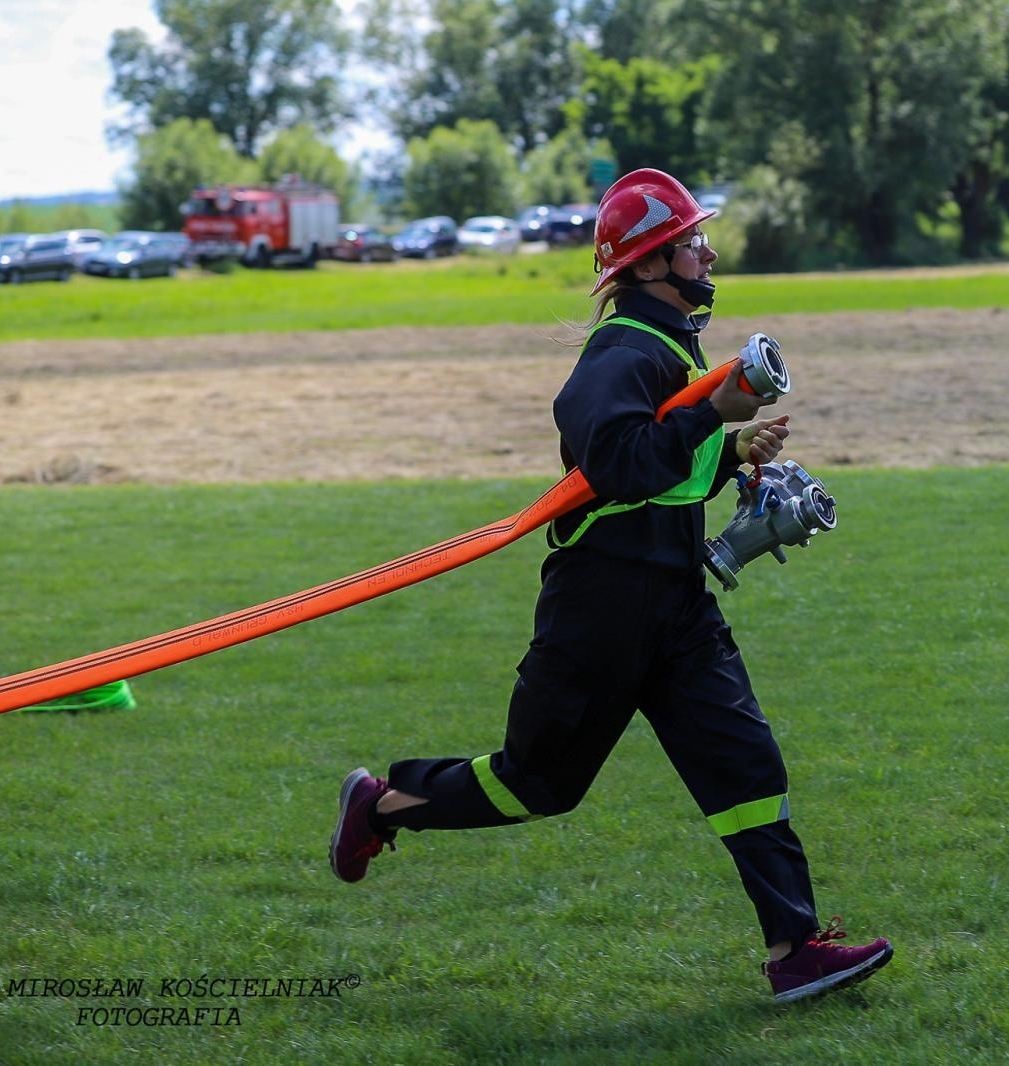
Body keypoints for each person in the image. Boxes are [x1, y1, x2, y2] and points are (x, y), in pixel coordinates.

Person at [328, 168, 892, 1004]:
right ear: (651, 263)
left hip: (675, 601)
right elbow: (617, 462)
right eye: (692, 242)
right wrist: (715, 417)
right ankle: (381, 806)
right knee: (537, 784)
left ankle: (794, 948)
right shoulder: (623, 350)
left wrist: (732, 456)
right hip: (602, 605)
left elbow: (665, 471)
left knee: (745, 764)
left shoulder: (672, 345)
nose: (707, 253)